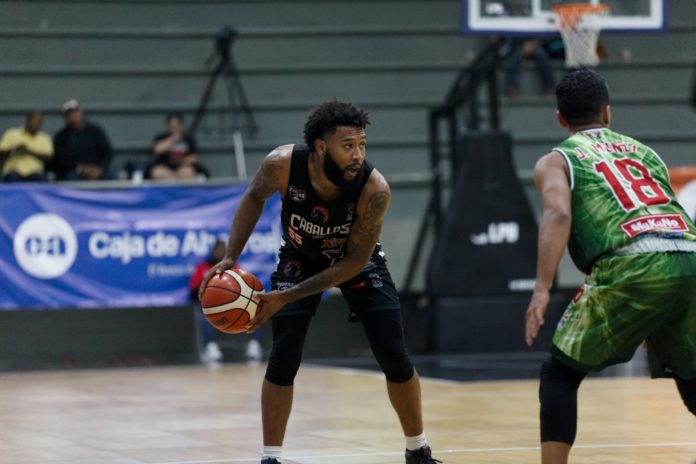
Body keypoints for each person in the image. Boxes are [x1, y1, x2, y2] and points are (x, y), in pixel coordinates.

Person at [200, 100, 441, 464]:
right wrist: (231, 255)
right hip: (300, 256)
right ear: (321, 147)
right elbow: (253, 196)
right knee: (283, 355)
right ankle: (271, 457)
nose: (358, 155)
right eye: (348, 146)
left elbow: (353, 262)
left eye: (362, 145)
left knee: (393, 353)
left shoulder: (374, 189)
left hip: (357, 262)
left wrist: (286, 297)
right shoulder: (282, 165)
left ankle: (417, 448)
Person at [525, 68, 696, 464]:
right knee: (691, 376)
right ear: (607, 112)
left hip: (631, 263)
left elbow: (557, 214)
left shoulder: (557, 159)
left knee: (560, 373)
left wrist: (541, 288)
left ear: (560, 119)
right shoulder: (646, 153)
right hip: (689, 256)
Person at [51, 99, 113, 180]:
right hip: (74, 172)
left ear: (81, 113)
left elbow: (107, 152)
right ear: (65, 118)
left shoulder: (95, 130)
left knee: (112, 176)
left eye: (75, 112)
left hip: (98, 169)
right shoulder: (61, 137)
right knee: (71, 177)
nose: (74, 116)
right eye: (70, 114)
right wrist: (80, 168)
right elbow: (60, 160)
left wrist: (100, 168)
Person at [148, 112, 207, 180]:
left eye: (176, 124)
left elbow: (195, 157)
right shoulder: (161, 137)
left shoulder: (188, 139)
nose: (174, 127)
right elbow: (157, 150)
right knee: (157, 172)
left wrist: (183, 161)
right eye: (171, 125)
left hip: (182, 167)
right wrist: (172, 139)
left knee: (188, 172)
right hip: (165, 168)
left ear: (181, 125)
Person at [0, 111, 53, 182]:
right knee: (12, 177)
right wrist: (15, 150)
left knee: (42, 179)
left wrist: (29, 151)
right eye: (34, 120)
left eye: (39, 121)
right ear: (27, 120)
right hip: (13, 173)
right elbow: (1, 152)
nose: (36, 124)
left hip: (35, 174)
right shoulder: (12, 133)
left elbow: (48, 158)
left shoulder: (45, 138)